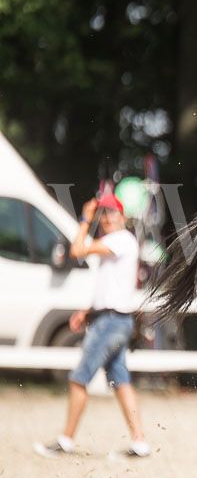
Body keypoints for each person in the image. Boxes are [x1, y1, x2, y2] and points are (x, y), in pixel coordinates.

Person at [35, 193, 150, 459]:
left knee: (78, 379)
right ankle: (139, 442)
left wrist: (85, 219)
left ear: (122, 216)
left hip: (110, 322)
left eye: (111, 212)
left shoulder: (120, 240)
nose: (107, 218)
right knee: (121, 381)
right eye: (103, 213)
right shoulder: (120, 243)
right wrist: (87, 312)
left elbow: (76, 250)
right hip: (114, 319)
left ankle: (66, 440)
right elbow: (112, 289)